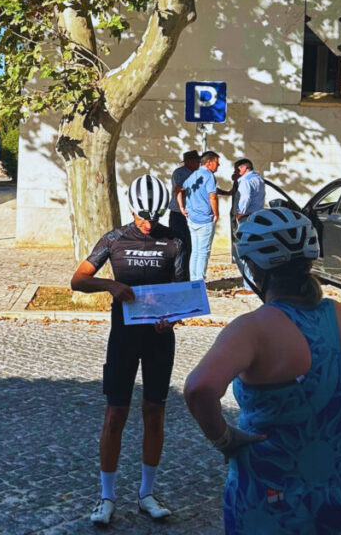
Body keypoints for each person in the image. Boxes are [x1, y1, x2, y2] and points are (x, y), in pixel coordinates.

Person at [184, 207, 341, 534]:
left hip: (267, 505)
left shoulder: (251, 329)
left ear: (254, 270)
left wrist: (225, 438)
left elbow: (198, 389)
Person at [70, 174, 185, 526]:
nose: (148, 224)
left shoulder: (175, 242)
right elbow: (78, 279)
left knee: (154, 412)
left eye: (154, 217)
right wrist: (111, 285)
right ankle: (106, 497)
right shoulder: (115, 239)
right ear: (133, 208)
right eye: (142, 217)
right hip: (123, 338)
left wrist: (174, 318)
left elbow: (181, 291)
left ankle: (147, 494)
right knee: (115, 414)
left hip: (159, 339)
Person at [178, 151, 229, 282]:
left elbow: (179, 190)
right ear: (209, 162)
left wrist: (182, 208)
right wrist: (216, 214)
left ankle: (194, 279)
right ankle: (199, 281)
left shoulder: (193, 175)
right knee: (203, 251)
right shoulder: (208, 176)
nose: (218, 166)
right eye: (217, 163)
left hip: (192, 217)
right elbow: (213, 196)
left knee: (195, 251)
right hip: (205, 218)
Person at [168, 151, 200, 281]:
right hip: (178, 213)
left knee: (190, 245)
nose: (198, 164)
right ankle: (177, 274)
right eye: (196, 161)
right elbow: (179, 190)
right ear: (189, 162)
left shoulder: (198, 173)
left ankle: (187, 274)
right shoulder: (179, 173)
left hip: (192, 213)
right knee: (179, 244)